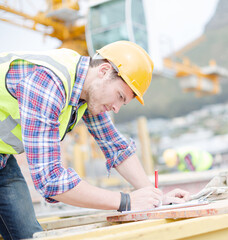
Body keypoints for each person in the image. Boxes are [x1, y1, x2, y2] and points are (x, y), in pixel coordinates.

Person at [0, 41, 190, 239]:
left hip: (3, 161)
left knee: (29, 236)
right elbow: (50, 180)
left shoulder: (86, 90)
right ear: (104, 70)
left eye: (122, 103)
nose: (116, 108)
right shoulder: (48, 83)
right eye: (119, 96)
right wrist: (126, 201)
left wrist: (153, 196)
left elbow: (116, 147)